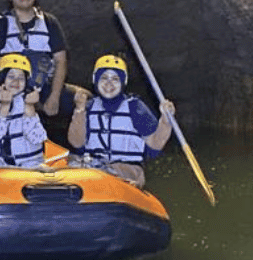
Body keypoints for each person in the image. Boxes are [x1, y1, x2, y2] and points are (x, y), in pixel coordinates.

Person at [0, 0, 80, 118]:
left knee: (85, 100)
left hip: (43, 87)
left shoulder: (49, 22)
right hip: (10, 87)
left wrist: (54, 97)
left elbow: (61, 61)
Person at [67, 54, 175, 187]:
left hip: (128, 170)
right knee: (71, 160)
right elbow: (76, 143)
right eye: (104, 78)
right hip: (94, 165)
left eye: (115, 79)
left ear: (123, 82)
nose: (109, 83)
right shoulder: (88, 107)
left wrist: (165, 120)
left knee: (113, 169)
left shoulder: (135, 107)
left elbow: (155, 144)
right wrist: (79, 110)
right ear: (95, 80)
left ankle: (105, 174)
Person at [0, 53, 48, 173]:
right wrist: (4, 107)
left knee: (41, 171)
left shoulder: (30, 101)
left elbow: (36, 138)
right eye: (11, 76)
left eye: (21, 78)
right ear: (1, 78)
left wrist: (30, 108)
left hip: (27, 163)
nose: (16, 82)